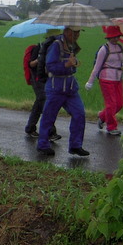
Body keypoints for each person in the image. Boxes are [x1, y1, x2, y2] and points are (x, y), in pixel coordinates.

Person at [37, 26, 89, 157]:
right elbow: (50, 66)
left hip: (71, 88)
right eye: (74, 32)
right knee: (49, 116)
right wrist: (66, 65)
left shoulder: (72, 46)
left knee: (79, 114)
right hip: (56, 87)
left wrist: (74, 62)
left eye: (78, 32)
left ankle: (76, 146)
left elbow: (72, 66)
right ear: (66, 31)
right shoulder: (56, 45)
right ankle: (42, 144)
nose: (77, 35)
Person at [85, 25, 123, 136]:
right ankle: (111, 127)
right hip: (106, 79)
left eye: (117, 36)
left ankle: (103, 116)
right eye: (114, 37)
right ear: (108, 37)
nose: (116, 39)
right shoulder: (104, 49)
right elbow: (97, 67)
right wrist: (90, 81)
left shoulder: (120, 48)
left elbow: (120, 65)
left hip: (118, 79)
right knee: (111, 104)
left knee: (120, 104)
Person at [24, 30, 61, 141]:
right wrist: (39, 59)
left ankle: (30, 128)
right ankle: (50, 132)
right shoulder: (38, 48)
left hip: (46, 79)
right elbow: (31, 64)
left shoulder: (55, 49)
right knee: (44, 101)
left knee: (40, 103)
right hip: (36, 78)